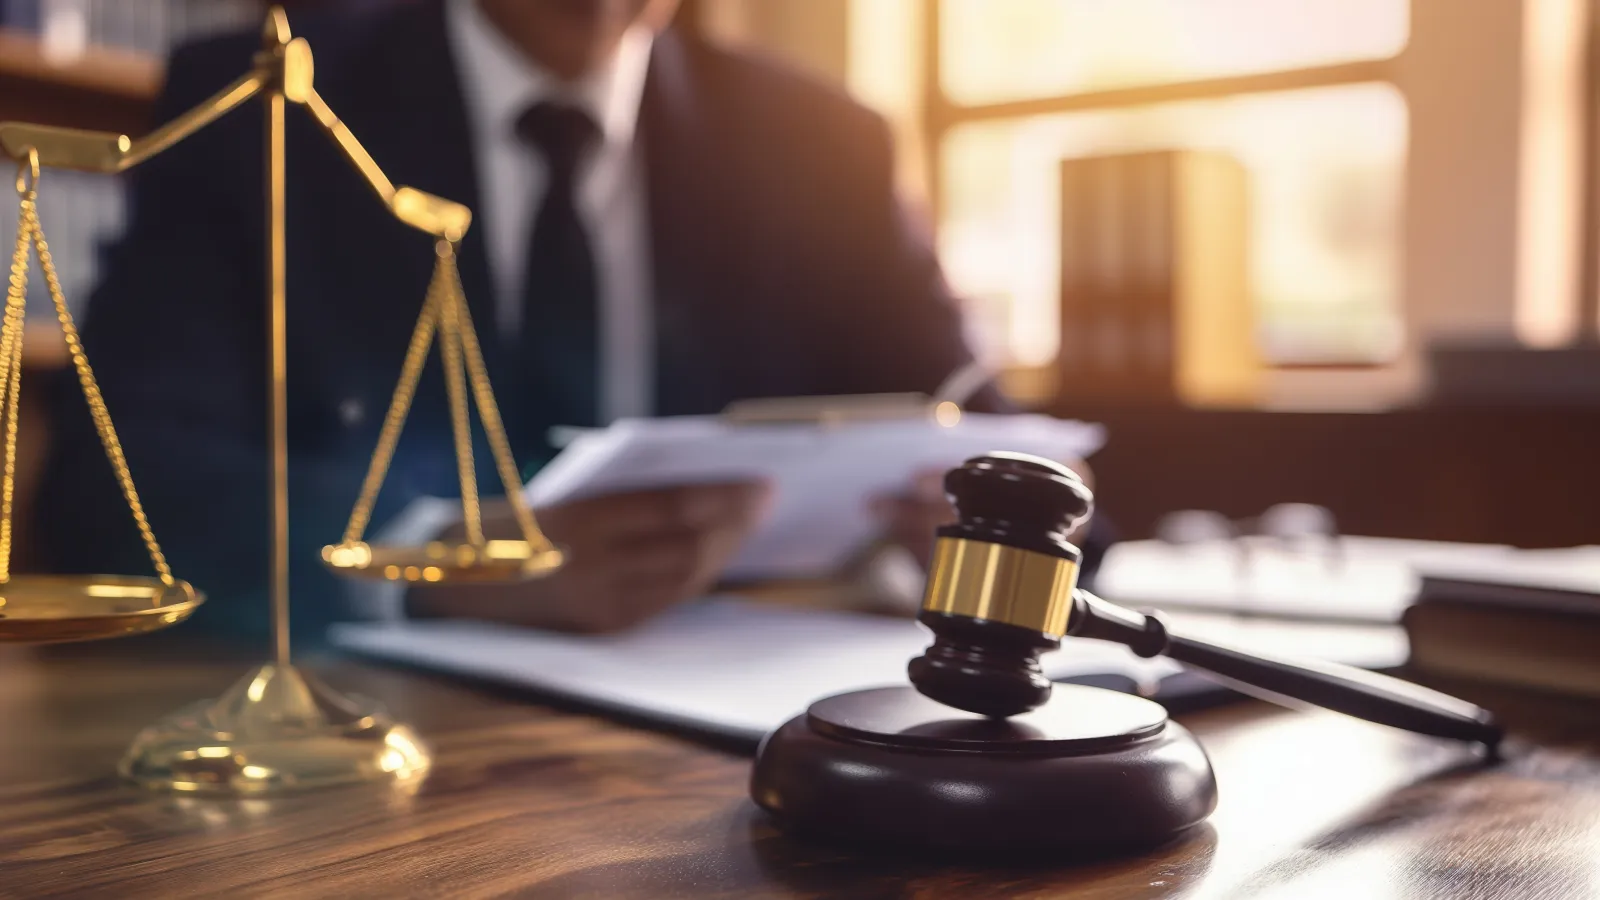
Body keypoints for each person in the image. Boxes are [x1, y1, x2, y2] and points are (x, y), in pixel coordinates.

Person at [36, 0, 1098, 641]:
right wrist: (441, 557)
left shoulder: (821, 146)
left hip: (733, 723)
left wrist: (984, 530)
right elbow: (108, 490)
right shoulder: (267, 98)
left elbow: (1014, 458)